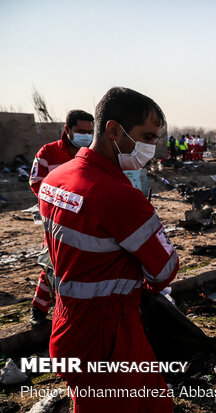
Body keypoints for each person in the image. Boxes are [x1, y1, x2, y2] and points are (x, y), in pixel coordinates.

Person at [39, 87, 178, 412]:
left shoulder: (55, 179)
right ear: (114, 130)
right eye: (147, 136)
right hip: (110, 336)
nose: (151, 148)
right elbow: (163, 272)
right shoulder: (120, 196)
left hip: (68, 323)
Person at [28, 110, 95, 326]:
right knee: (51, 264)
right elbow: (36, 182)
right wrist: (62, 200)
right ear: (67, 130)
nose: (86, 136)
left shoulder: (91, 154)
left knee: (76, 266)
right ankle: (38, 309)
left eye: (90, 132)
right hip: (56, 220)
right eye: (81, 131)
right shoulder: (48, 153)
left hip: (84, 220)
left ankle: (69, 310)